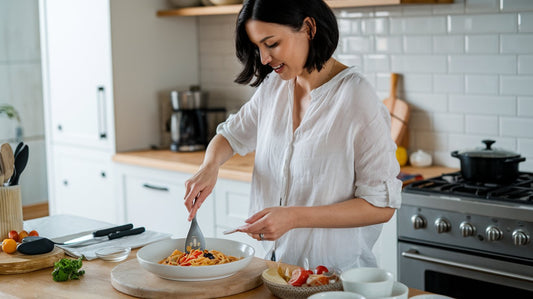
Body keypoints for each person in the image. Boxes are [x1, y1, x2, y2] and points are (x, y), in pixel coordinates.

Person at [184, 0, 402, 271]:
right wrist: (210, 166)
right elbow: (230, 135)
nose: (263, 59)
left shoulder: (357, 98)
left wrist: (293, 217)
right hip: (276, 270)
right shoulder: (274, 87)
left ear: (309, 28)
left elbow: (381, 206)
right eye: (257, 47)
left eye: (271, 44)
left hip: (335, 278)